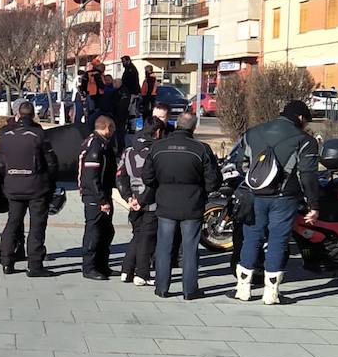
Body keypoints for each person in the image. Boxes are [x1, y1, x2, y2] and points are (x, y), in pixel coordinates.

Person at [233, 100, 321, 305]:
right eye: (306, 120)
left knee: (251, 238)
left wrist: (256, 180)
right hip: (285, 198)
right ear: (300, 117)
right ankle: (270, 293)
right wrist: (314, 205)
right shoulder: (305, 140)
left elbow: (240, 164)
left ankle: (243, 289)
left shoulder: (252, 132)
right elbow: (308, 175)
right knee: (277, 241)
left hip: (254, 195)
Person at [140, 111, 219, 300]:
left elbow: (147, 177)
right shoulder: (201, 149)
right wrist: (203, 190)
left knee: (164, 246)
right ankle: (189, 290)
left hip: (166, 202)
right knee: (190, 248)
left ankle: (161, 287)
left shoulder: (158, 147)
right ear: (194, 127)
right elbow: (213, 181)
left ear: (176, 124)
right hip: (192, 203)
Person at [0, 101, 59, 277]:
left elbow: (0, 163)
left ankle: (7, 262)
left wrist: (6, 178)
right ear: (33, 115)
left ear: (17, 114)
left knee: (13, 223)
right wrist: (50, 181)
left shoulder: (5, 134)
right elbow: (52, 162)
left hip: (13, 186)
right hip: (36, 187)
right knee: (37, 226)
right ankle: (34, 265)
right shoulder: (38, 134)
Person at [117, 118, 164, 286]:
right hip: (150, 200)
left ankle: (126, 269)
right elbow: (154, 180)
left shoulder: (129, 150)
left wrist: (129, 197)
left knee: (137, 235)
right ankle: (142, 273)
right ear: (157, 132)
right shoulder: (156, 150)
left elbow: (121, 176)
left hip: (134, 199)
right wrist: (143, 200)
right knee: (147, 237)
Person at [77, 115, 117, 280]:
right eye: (112, 129)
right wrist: (102, 199)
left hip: (103, 192)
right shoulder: (96, 145)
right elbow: (91, 177)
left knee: (106, 231)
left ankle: (102, 265)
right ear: (108, 128)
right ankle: (89, 267)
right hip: (94, 195)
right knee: (94, 231)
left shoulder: (101, 143)